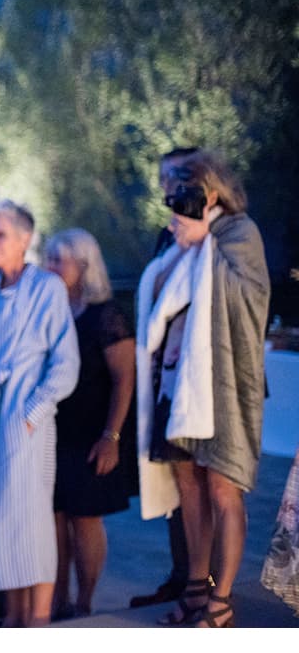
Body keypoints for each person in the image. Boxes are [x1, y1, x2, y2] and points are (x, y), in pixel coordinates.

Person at [135, 150, 270, 628]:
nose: (175, 203)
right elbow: (161, 300)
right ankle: (196, 587)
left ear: (211, 191)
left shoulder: (239, 231)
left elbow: (249, 298)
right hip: (180, 384)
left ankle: (222, 599)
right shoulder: (178, 235)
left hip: (227, 385)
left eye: (184, 193)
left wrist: (205, 240)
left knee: (223, 488)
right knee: (188, 486)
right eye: (173, 197)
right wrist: (186, 245)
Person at [0, 200, 80, 627]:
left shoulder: (48, 288)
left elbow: (66, 362)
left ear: (25, 239)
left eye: (0, 234)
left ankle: (37, 620)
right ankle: (12, 617)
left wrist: (32, 412)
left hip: (23, 417)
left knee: (27, 516)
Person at [43, 228, 136, 620]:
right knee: (54, 518)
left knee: (84, 518)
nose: (49, 267)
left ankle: (84, 602)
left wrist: (111, 436)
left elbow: (124, 378)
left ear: (83, 266)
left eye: (57, 260)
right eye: (47, 259)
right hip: (51, 432)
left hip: (92, 433)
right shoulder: (48, 311)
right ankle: (59, 600)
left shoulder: (106, 315)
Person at [128, 146, 200, 610]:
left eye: (174, 176)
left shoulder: (212, 236)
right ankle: (183, 573)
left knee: (200, 484)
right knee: (175, 484)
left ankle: (203, 582)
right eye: (162, 178)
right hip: (163, 376)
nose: (165, 186)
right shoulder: (166, 235)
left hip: (196, 377)